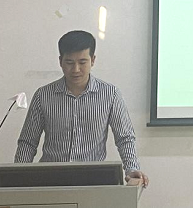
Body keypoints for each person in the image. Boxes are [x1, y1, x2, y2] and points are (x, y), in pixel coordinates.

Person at [14, 30, 149, 187]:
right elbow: (28, 142)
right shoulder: (43, 95)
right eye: (69, 62)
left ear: (93, 60)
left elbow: (124, 138)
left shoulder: (110, 94)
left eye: (82, 62)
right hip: (51, 180)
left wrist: (132, 169)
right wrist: (18, 176)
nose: (76, 69)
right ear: (60, 61)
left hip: (93, 181)